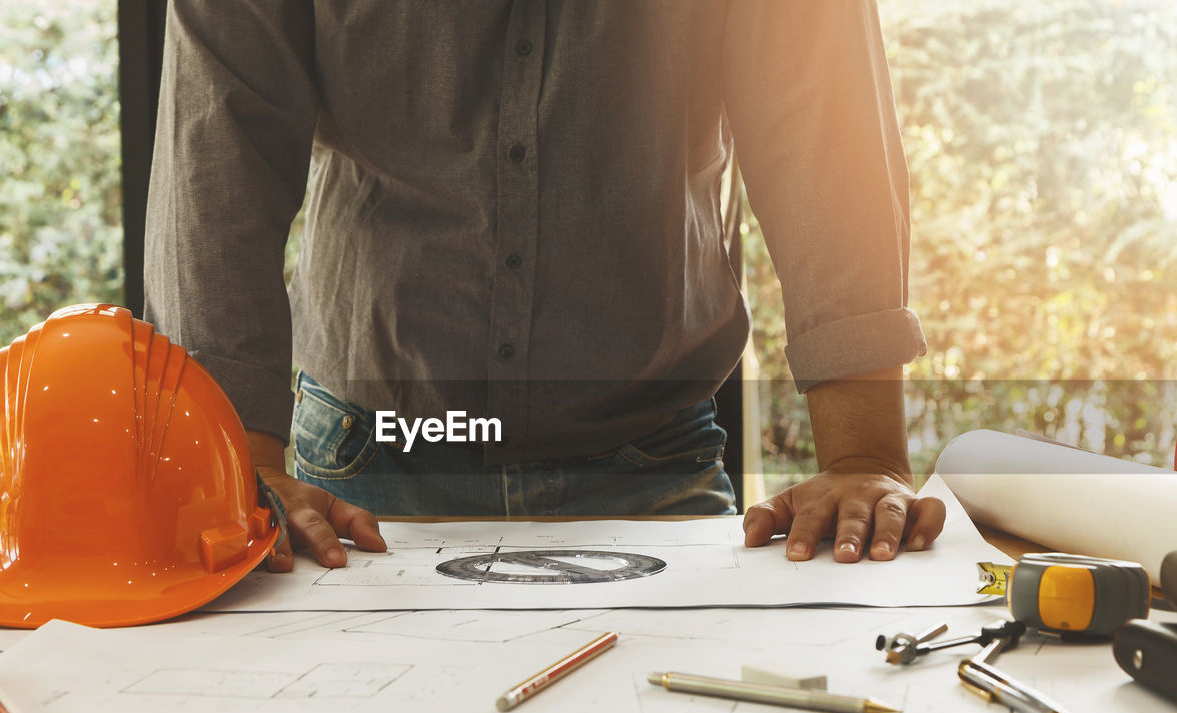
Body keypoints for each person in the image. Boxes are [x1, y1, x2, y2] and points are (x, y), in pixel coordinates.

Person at [144, 0, 946, 574]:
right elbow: (219, 149)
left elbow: (818, 125)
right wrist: (236, 464)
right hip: (362, 472)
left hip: (651, 462)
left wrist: (863, 455)